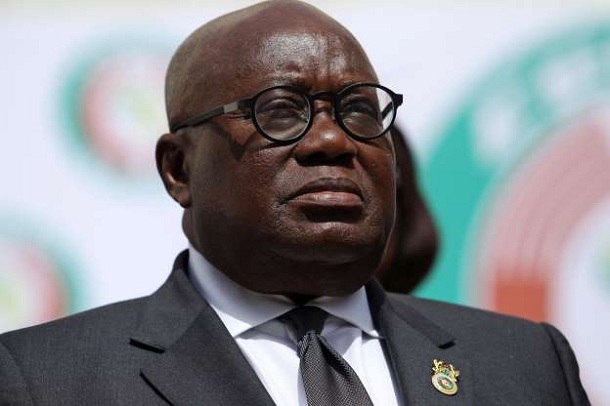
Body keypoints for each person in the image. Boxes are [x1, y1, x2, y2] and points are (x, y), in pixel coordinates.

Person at [0, 1, 590, 405]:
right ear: (179, 169)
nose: (333, 140)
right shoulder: (44, 381)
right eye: (280, 111)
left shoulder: (527, 363)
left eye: (359, 109)